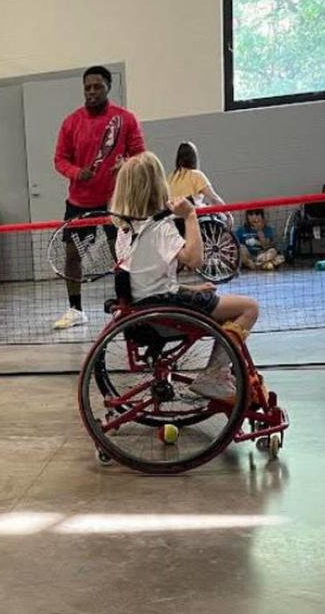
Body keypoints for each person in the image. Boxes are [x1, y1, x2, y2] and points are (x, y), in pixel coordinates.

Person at [110, 152, 260, 401]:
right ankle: (214, 376)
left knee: (223, 305)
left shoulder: (124, 230)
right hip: (165, 312)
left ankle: (219, 373)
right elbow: (195, 259)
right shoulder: (160, 228)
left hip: (145, 310)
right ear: (158, 185)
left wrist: (191, 290)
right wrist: (190, 216)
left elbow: (148, 280)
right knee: (249, 308)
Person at [52, 65, 146, 329]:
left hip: (117, 203)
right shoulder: (71, 122)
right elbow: (60, 159)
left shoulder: (126, 119)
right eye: (87, 87)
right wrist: (75, 172)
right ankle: (75, 309)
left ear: (108, 88)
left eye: (97, 87)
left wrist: (126, 164)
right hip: (78, 203)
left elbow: (141, 154)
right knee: (72, 255)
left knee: (123, 257)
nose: (92, 92)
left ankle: (126, 305)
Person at [167, 141, 227, 207]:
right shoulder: (196, 175)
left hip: (172, 214)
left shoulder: (171, 177)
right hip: (191, 214)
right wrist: (228, 214)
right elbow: (214, 198)